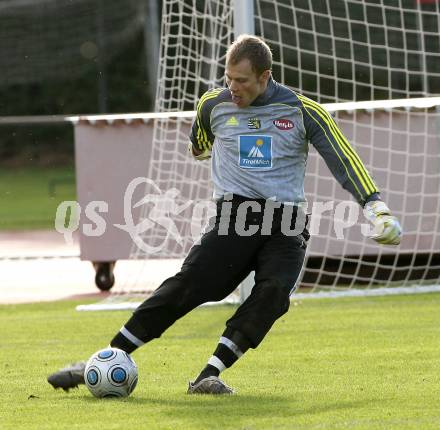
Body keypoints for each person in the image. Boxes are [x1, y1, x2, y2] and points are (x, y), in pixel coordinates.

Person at [48, 35, 401, 395]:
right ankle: (105, 358)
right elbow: (199, 144)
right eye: (229, 78)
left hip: (287, 223)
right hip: (236, 216)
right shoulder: (212, 105)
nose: (233, 88)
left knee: (274, 294)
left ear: (265, 77)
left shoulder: (303, 112)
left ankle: (208, 375)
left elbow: (343, 160)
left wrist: (376, 207)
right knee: (192, 286)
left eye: (243, 81)